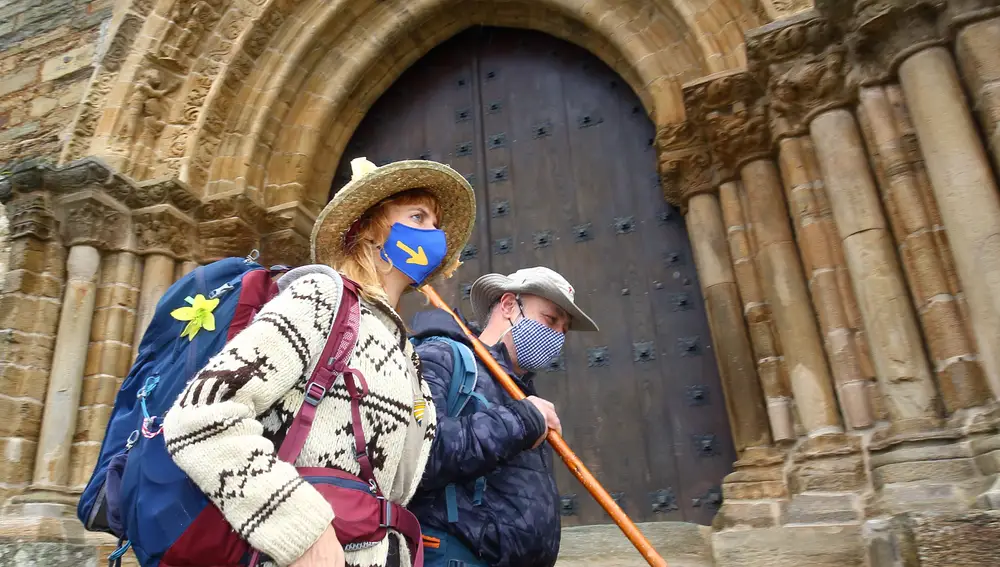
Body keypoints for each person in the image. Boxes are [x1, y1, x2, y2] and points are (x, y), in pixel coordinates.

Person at [162, 157, 476, 567]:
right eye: (418, 217)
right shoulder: (321, 298)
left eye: (435, 224)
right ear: (368, 230)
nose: (434, 235)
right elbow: (202, 416)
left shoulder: (404, 348)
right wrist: (300, 530)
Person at [408, 267, 599, 567]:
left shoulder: (522, 394)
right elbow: (423, 452)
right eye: (550, 320)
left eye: (564, 329)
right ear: (509, 305)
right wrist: (522, 420)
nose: (557, 336)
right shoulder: (444, 355)